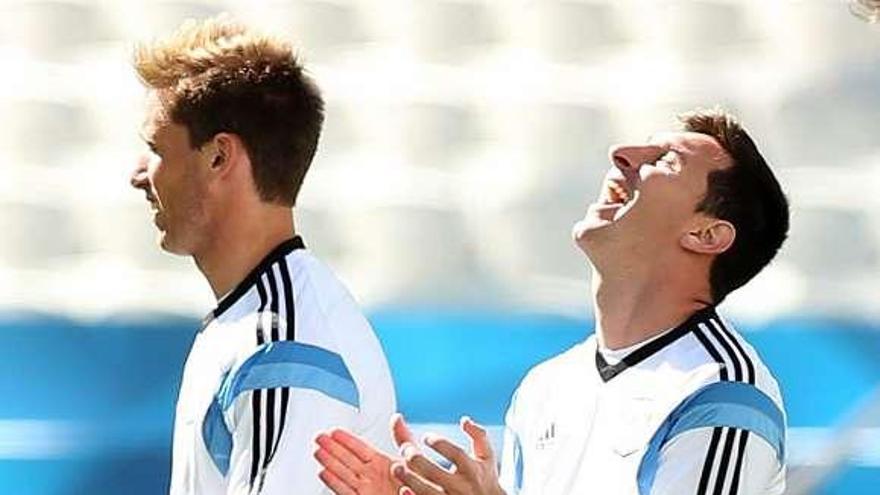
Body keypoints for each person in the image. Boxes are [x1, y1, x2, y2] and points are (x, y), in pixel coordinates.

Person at [313, 109, 789, 495]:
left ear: (706, 235)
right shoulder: (546, 386)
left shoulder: (723, 392)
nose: (621, 155)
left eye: (664, 160)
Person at [129, 16, 396, 495]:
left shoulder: (284, 345)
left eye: (154, 148)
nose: (138, 174)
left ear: (218, 157)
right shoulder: (253, 324)